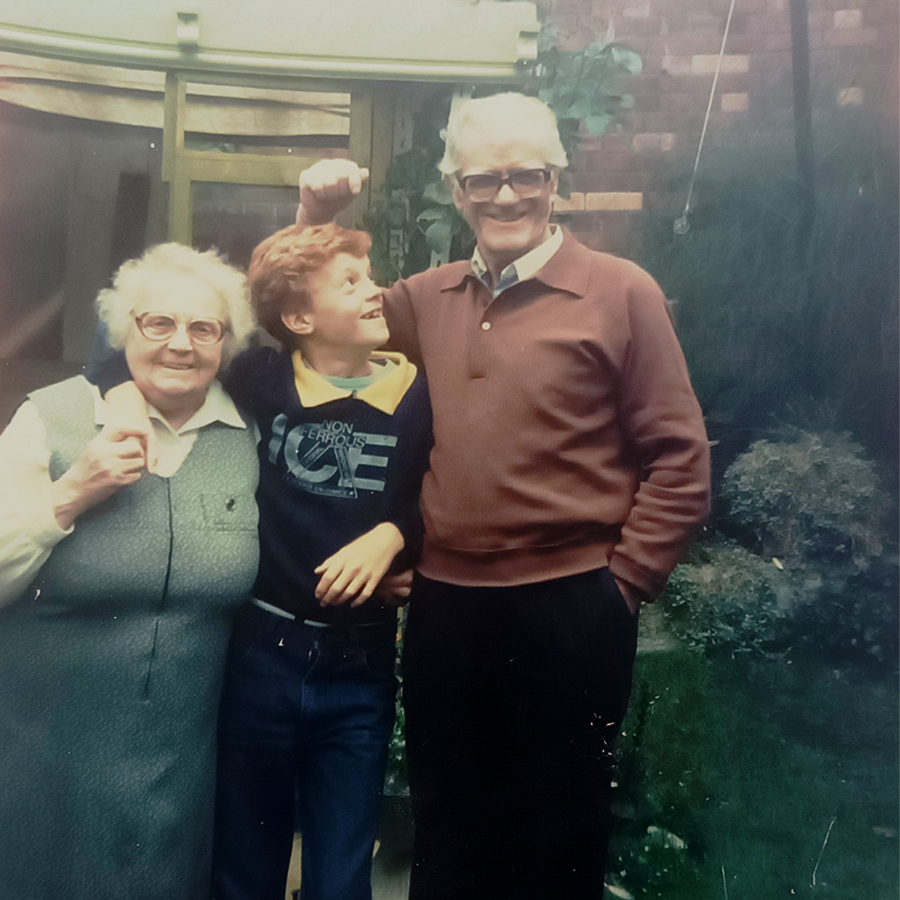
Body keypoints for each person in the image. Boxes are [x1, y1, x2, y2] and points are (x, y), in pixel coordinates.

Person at [295, 92, 711, 900]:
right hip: (449, 610)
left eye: (529, 175)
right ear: (457, 190)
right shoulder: (424, 300)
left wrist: (622, 587)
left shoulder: (622, 293)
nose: (508, 196)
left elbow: (680, 460)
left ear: (558, 180)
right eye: (484, 179)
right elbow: (303, 315)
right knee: (449, 833)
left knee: (560, 836)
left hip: (574, 606)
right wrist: (313, 212)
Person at [92, 223, 432, 900]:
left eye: (371, 277)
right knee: (245, 866)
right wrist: (124, 400)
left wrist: (395, 534)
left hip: (358, 671)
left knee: (341, 876)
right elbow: (140, 362)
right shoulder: (264, 378)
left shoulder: (419, 396)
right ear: (301, 319)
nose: (377, 291)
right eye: (352, 282)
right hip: (260, 660)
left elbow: (445, 495)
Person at [0, 243, 259, 900]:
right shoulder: (50, 418)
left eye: (204, 328)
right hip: (37, 759)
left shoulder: (245, 437)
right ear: (122, 334)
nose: (181, 344)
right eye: (158, 324)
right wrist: (70, 494)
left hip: (175, 778)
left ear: (227, 345)